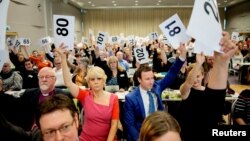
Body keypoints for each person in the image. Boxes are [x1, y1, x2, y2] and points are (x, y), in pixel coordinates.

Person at [178, 31, 237, 140]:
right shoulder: (185, 90)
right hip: (188, 134)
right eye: (193, 76)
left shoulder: (208, 91)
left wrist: (222, 61)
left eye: (198, 76)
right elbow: (189, 83)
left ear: (202, 76)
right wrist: (198, 64)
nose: (196, 79)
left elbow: (217, 97)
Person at [123, 44, 186, 141]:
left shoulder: (157, 86)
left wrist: (182, 56)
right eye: (147, 79)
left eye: (152, 78)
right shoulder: (130, 98)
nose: (151, 81)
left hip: (160, 131)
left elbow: (172, 72)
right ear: (139, 80)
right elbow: (130, 125)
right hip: (143, 134)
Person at [58, 43, 119, 141]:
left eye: (99, 79)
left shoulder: (113, 98)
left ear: (104, 81)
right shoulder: (85, 95)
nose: (96, 82)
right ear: (89, 82)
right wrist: (63, 58)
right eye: (92, 79)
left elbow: (114, 124)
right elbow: (68, 82)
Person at [0, 94, 79, 141]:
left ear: (76, 120)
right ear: (42, 133)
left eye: (65, 127)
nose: (59, 138)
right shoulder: (37, 137)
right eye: (50, 132)